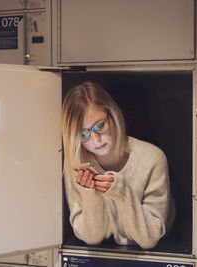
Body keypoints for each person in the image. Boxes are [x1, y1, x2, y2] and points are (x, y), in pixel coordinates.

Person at [62, 81, 175, 250]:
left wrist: (122, 193)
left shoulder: (153, 158)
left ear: (113, 114)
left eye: (100, 126)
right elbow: (92, 238)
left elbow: (149, 239)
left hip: (162, 248)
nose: (96, 140)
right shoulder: (75, 163)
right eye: (83, 133)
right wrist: (90, 194)